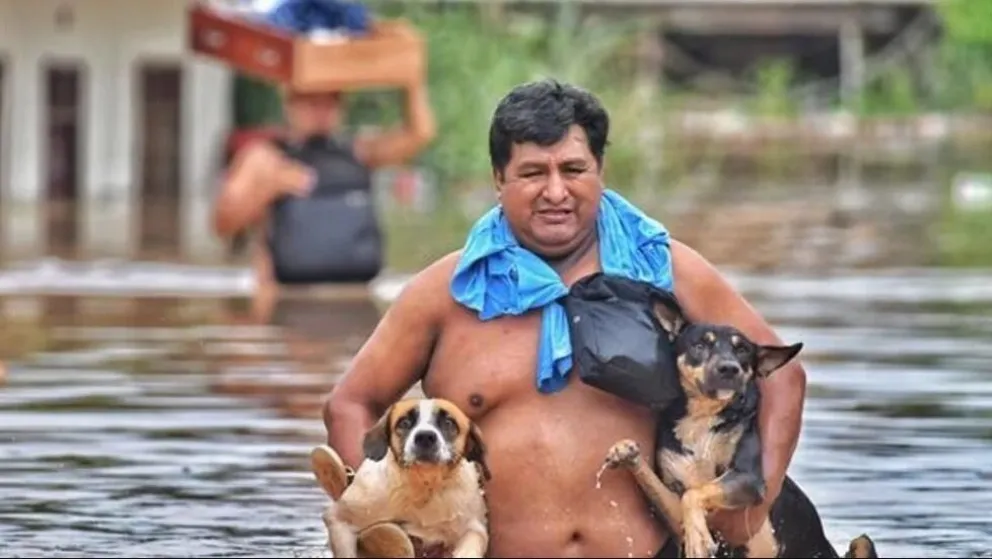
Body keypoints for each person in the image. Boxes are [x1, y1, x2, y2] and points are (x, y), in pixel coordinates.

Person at [322, 79, 807, 558]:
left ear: (600, 170)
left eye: (574, 169)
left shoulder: (667, 271)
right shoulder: (445, 291)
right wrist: (386, 526)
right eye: (533, 173)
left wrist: (751, 508)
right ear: (498, 178)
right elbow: (350, 404)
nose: (555, 191)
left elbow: (783, 377)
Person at [211, 83, 436, 303]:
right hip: (286, 297)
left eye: (331, 102)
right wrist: (269, 188)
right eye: (311, 102)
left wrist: (411, 82)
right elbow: (222, 223)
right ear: (290, 103)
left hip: (354, 296)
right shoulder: (265, 158)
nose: (321, 112)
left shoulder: (361, 152)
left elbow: (420, 134)